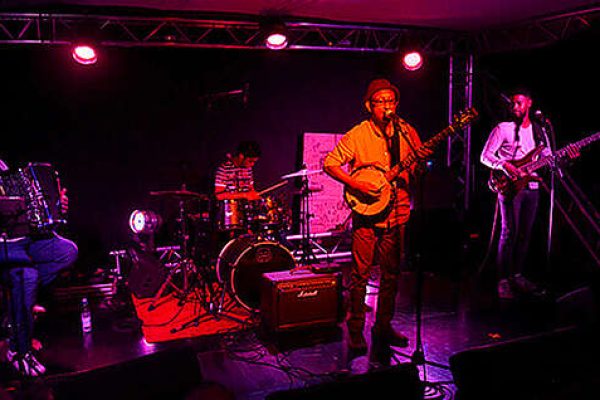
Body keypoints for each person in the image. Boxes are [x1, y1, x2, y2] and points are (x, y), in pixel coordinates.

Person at [323, 78, 431, 361]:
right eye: (380, 101)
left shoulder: (407, 132)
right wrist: (355, 184)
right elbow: (330, 163)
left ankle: (383, 326)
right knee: (359, 274)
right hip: (366, 215)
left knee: (392, 273)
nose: (386, 105)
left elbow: (417, 171)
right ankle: (356, 327)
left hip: (398, 212)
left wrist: (420, 163)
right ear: (369, 105)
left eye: (390, 100)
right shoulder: (358, 134)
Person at [480, 88, 579, 300]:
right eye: (513, 103)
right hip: (510, 186)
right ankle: (503, 280)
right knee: (509, 233)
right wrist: (504, 165)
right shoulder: (503, 128)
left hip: (532, 187)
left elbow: (550, 159)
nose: (515, 107)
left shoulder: (539, 131)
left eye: (519, 103)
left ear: (529, 104)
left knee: (525, 233)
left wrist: (567, 157)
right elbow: (485, 156)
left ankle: (517, 274)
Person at [0, 159, 78, 376]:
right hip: (3, 244)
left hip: (22, 239)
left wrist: (54, 206)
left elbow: (28, 211)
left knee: (67, 251)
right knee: (28, 276)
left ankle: (21, 304)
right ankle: (18, 349)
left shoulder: (4, 166)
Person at [214, 140, 262, 236]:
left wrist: (255, 196)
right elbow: (218, 195)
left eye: (254, 162)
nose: (252, 164)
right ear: (241, 156)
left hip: (246, 215)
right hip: (230, 216)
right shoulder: (224, 169)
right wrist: (244, 195)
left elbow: (250, 190)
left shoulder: (248, 169)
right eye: (250, 161)